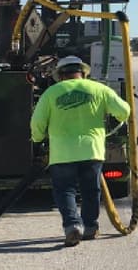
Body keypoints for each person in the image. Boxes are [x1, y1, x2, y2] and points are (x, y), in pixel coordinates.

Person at [30, 55, 131, 246]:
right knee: (91, 190)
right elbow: (124, 111)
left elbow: (37, 123)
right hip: (92, 151)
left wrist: (37, 138)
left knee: (65, 190)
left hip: (62, 153)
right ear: (83, 73)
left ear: (60, 75)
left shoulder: (51, 93)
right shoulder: (99, 89)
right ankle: (90, 227)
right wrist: (115, 120)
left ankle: (72, 226)